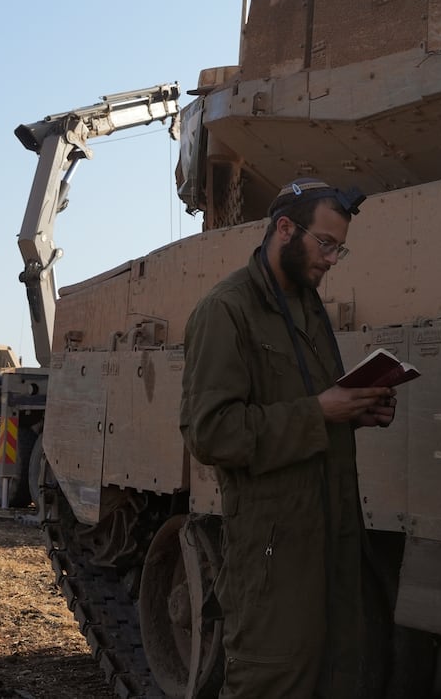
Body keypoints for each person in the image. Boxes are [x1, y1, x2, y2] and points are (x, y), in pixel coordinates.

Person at [180, 179, 397, 699]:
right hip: (274, 561)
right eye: (326, 243)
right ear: (284, 229)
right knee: (271, 683)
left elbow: (309, 407)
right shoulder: (227, 310)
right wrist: (319, 412)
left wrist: (354, 410)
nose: (333, 258)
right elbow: (210, 433)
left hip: (330, 548)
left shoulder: (307, 307)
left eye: (339, 247)